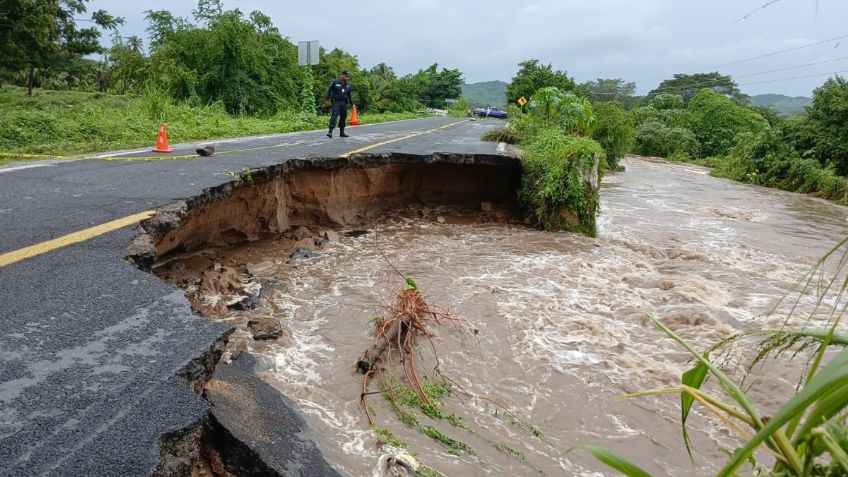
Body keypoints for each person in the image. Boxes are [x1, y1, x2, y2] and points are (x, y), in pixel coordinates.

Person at [325, 70, 354, 138]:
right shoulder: (335, 82)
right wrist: (327, 99)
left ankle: (342, 132)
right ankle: (330, 132)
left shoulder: (348, 85)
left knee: (343, 117)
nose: (347, 78)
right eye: (346, 76)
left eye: (348, 77)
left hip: (344, 103)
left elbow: (350, 95)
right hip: (336, 102)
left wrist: (352, 104)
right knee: (334, 116)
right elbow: (329, 91)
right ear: (342, 75)